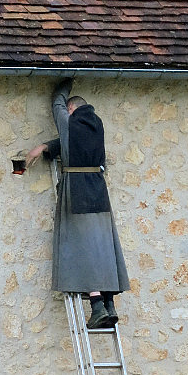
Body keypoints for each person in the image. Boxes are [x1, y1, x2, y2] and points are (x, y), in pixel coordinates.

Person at [26, 78, 130, 328]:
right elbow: (71, 143)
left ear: (71, 109)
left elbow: (57, 103)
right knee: (102, 245)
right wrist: (46, 146)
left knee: (82, 246)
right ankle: (109, 304)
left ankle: (96, 305)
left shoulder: (69, 121)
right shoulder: (97, 125)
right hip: (99, 190)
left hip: (78, 190)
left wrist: (66, 80)